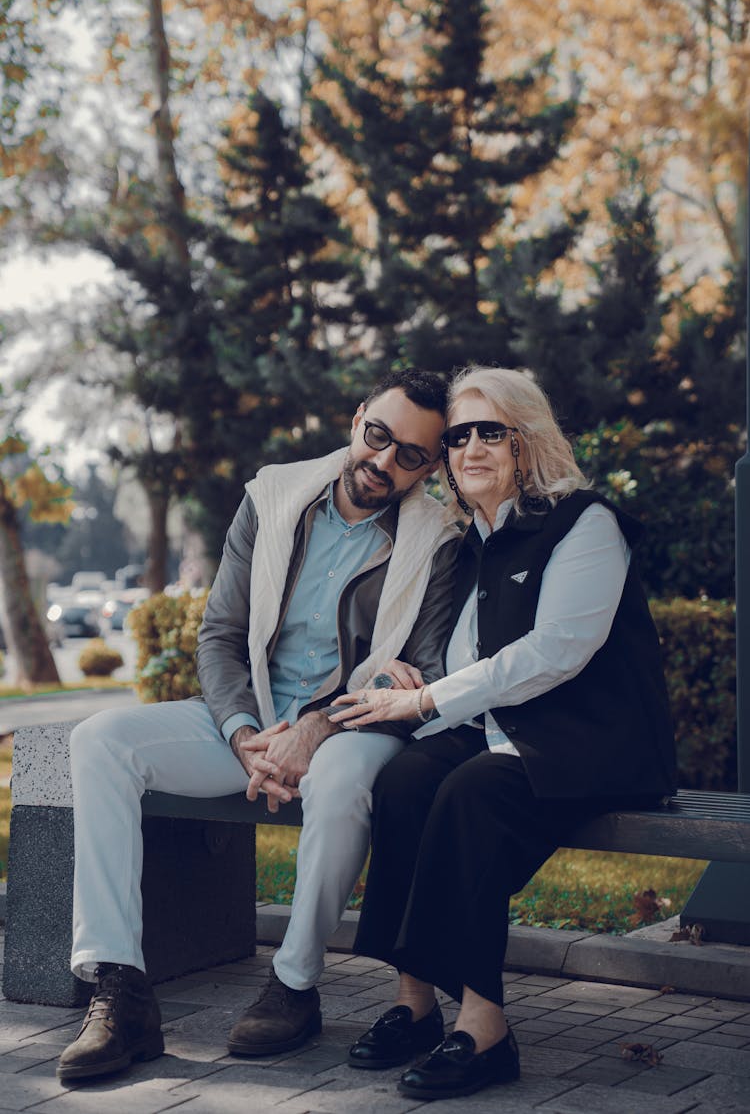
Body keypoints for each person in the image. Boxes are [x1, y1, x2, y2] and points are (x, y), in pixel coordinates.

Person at [57, 370, 460, 1083]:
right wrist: (246, 734)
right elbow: (220, 633)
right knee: (100, 741)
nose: (384, 461)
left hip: (353, 731)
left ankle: (295, 984)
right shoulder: (273, 495)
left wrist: (315, 728)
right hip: (249, 722)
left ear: (429, 466)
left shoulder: (440, 537)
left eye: (411, 455)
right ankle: (119, 990)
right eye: (379, 436)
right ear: (358, 417)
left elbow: (420, 671)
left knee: (337, 778)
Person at [331, 365, 677, 1101]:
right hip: (502, 729)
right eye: (459, 437)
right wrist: (409, 678)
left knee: (469, 795)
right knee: (404, 781)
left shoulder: (585, 522)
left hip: (588, 739)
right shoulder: (470, 544)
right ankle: (414, 1000)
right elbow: (461, 661)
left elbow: (554, 652)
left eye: (493, 432)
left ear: (526, 441)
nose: (473, 448)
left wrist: (426, 707)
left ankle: (485, 1027)